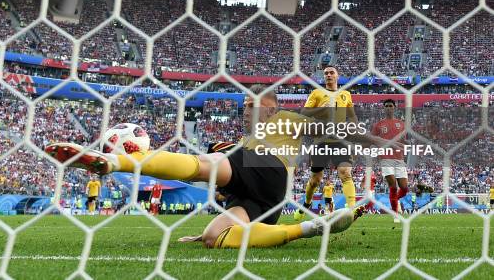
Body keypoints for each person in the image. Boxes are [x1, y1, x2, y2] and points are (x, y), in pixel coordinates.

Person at [46, 86, 368, 249]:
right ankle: (310, 229)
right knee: (216, 236)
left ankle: (116, 162)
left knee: (205, 165)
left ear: (271, 108)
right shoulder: (252, 136)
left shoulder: (285, 120)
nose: (246, 111)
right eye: (244, 107)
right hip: (270, 199)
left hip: (267, 168)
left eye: (252, 106)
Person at [295, 66, 359, 220]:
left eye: (331, 73)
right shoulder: (317, 93)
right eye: (326, 73)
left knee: (345, 172)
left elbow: (352, 117)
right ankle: (307, 203)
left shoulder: (346, 95)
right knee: (316, 179)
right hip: (321, 141)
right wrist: (320, 110)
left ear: (337, 76)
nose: (328, 75)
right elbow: (304, 113)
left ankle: (352, 209)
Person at [372, 99, 408, 222]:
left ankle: (395, 201)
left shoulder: (401, 124)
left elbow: (403, 141)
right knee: (393, 185)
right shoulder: (379, 125)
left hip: (399, 159)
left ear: (394, 108)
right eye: (386, 106)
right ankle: (395, 214)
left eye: (390, 106)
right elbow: (374, 140)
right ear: (384, 108)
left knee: (404, 188)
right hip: (385, 158)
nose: (388, 107)